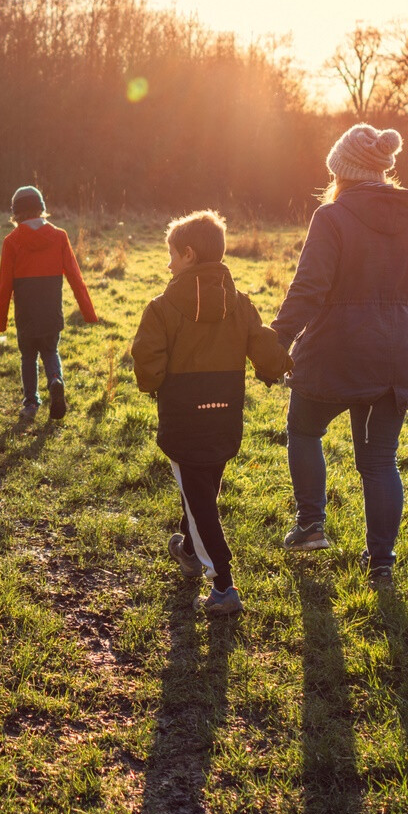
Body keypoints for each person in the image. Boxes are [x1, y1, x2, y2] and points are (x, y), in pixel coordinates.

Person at [270, 124, 408, 589]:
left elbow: (309, 288)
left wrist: (277, 339)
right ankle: (381, 563)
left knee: (303, 429)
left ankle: (311, 525)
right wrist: (390, 325)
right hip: (394, 356)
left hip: (334, 353)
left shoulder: (331, 216)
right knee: (380, 460)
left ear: (342, 171)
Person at [130, 210, 291, 616]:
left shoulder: (162, 307)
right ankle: (187, 550)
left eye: (171, 254)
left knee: (200, 500)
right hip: (225, 415)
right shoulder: (240, 305)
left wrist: (152, 383)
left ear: (188, 254)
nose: (168, 263)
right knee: (202, 489)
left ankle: (223, 584)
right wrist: (281, 368)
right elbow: (264, 347)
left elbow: (147, 362)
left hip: (184, 418)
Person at [0, 185, 98, 423]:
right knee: (51, 351)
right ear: (41, 209)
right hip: (51, 312)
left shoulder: (12, 241)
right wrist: (89, 313)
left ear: (16, 213)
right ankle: (54, 380)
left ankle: (30, 403)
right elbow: (75, 277)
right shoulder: (59, 236)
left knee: (28, 356)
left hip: (26, 314)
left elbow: (4, 286)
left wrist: (0, 322)